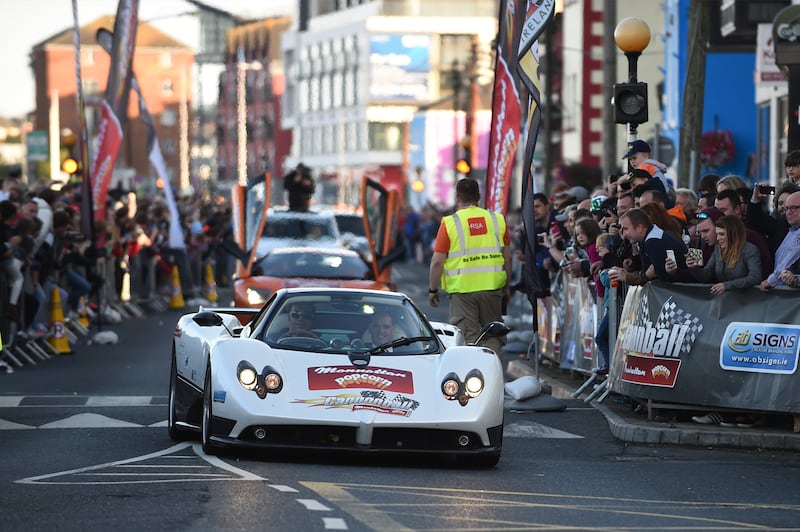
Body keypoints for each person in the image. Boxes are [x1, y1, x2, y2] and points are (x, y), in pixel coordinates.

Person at [428, 178, 511, 355]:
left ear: (458, 198)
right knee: (492, 334)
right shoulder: (497, 220)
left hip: (462, 290)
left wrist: (433, 290)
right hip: (492, 288)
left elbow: (437, 261)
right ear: (479, 196)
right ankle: (493, 375)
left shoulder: (450, 223)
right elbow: (508, 257)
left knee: (468, 338)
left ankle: (474, 378)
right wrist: (507, 286)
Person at [669, 215, 761, 295]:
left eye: (721, 234)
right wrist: (694, 268)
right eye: (717, 234)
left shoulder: (750, 250)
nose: (718, 238)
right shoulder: (718, 249)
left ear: (733, 234)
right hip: (723, 301)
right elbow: (707, 275)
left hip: (746, 302)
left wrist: (727, 285)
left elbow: (755, 277)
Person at [609, 208, 687, 286]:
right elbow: (647, 270)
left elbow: (658, 275)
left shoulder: (654, 242)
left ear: (639, 228)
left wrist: (629, 277)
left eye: (626, 229)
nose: (624, 235)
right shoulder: (650, 238)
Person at [761, 191, 800, 291]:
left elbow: (791, 257)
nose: (789, 212)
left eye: (794, 208)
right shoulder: (790, 231)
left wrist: (770, 280)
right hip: (780, 294)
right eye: (787, 208)